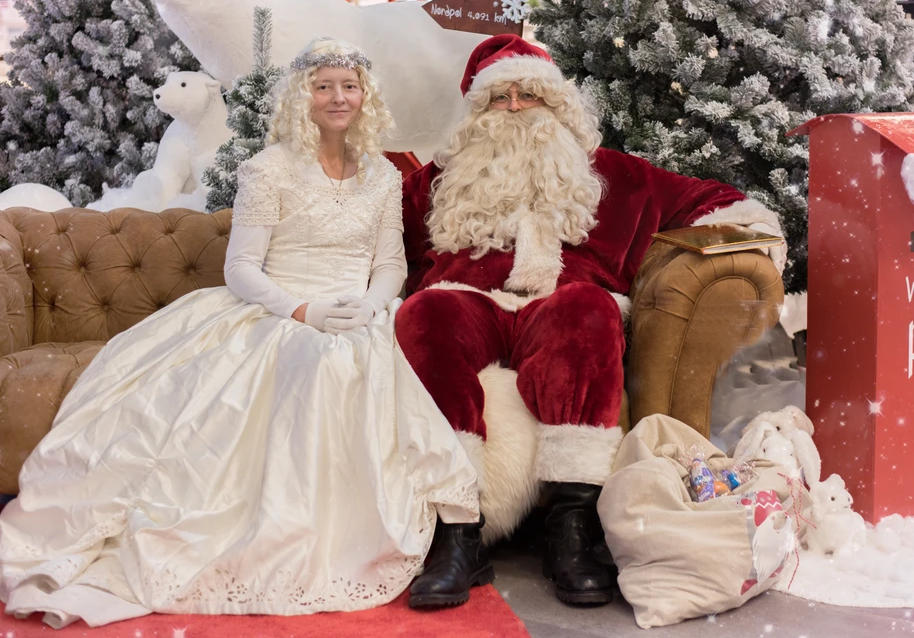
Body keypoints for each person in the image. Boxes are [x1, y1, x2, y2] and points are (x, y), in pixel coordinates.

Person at [0, 38, 479, 628]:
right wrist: (302, 311)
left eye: (348, 86)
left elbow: (390, 262)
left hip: (359, 312)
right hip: (277, 310)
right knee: (317, 362)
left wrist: (376, 306)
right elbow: (242, 269)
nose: (337, 97)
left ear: (365, 96)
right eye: (323, 85)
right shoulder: (269, 168)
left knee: (356, 361)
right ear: (303, 94)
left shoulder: (382, 174)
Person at [396, 34, 786, 608]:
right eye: (498, 98)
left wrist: (749, 238)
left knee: (588, 309)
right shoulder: (436, 180)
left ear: (557, 104)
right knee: (426, 312)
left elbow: (715, 200)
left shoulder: (610, 173)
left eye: (528, 95)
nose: (513, 108)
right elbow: (369, 238)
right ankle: (457, 533)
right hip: (467, 303)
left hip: (563, 307)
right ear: (475, 112)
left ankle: (570, 526)